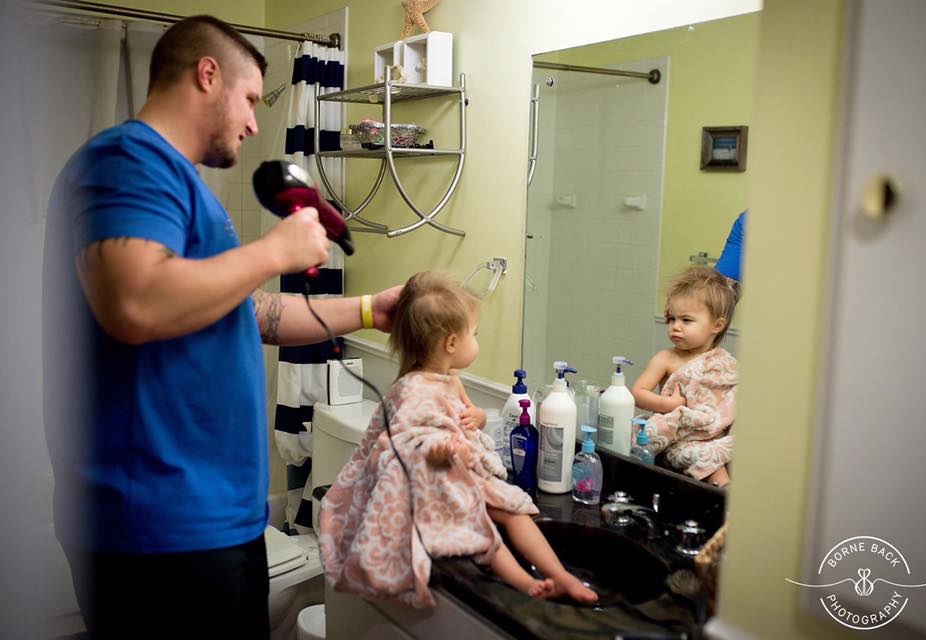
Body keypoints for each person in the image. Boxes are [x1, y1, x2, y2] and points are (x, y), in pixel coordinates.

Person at [41, 16, 400, 638]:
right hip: (158, 529)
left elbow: (249, 312)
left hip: (205, 524)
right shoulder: (128, 160)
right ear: (208, 75)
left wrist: (371, 309)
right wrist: (276, 251)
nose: (256, 123)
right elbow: (136, 303)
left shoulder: (181, 185)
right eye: (252, 99)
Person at [318, 272, 598, 607]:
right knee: (480, 528)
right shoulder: (410, 388)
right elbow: (405, 438)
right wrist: (437, 447)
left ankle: (559, 574)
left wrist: (477, 417)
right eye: (474, 334)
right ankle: (525, 582)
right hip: (433, 480)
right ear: (451, 343)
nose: (476, 341)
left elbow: (470, 414)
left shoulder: (451, 379)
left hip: (462, 470)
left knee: (515, 511)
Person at [630, 267, 738, 486]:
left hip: (713, 434)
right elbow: (637, 393)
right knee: (708, 460)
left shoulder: (723, 363)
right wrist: (668, 403)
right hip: (678, 438)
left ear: (717, 325)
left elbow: (733, 398)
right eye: (671, 319)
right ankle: (723, 494)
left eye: (686, 320)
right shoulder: (666, 358)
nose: (675, 327)